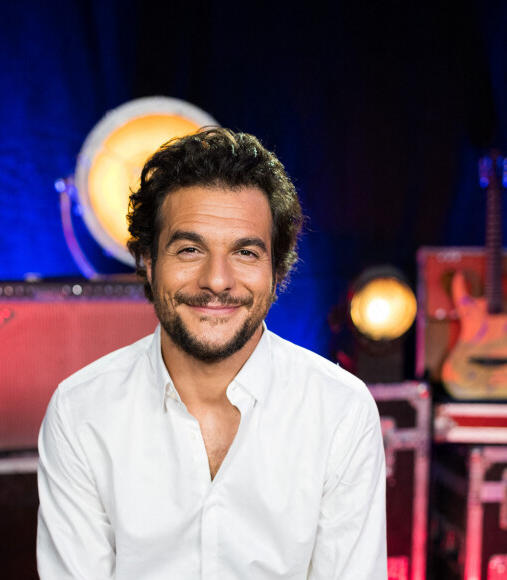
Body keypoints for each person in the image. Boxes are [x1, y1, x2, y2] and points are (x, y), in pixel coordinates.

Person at [36, 127, 387, 579]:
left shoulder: (341, 411)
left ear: (276, 270)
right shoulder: (80, 411)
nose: (217, 280)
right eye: (189, 249)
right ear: (147, 260)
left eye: (244, 252)